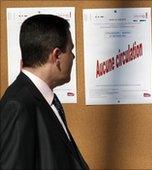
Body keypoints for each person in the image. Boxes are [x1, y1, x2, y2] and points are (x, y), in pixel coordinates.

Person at [0, 14, 89, 170]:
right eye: (71, 49)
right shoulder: (18, 106)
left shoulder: (44, 100)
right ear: (56, 55)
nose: (73, 56)